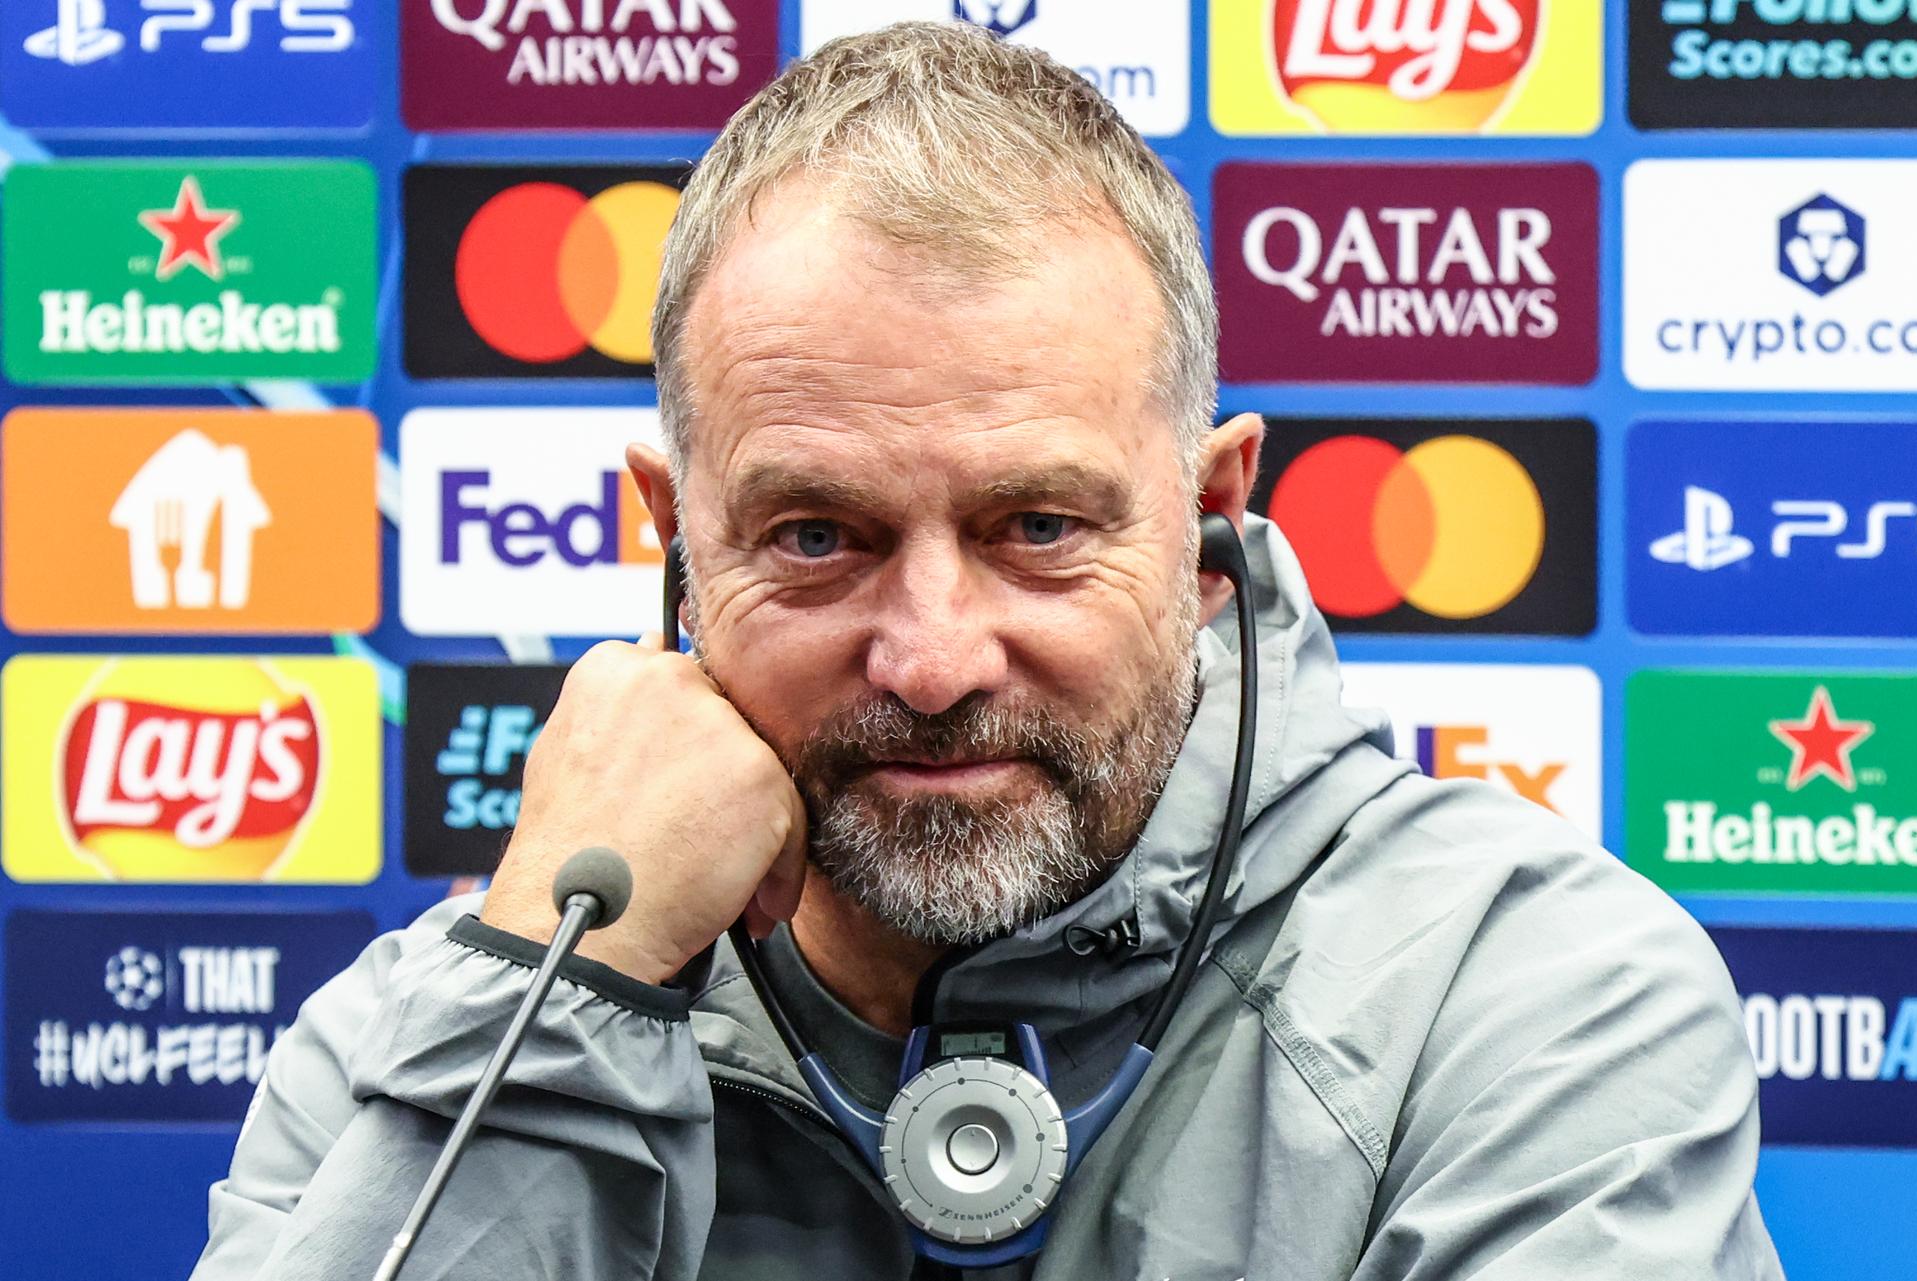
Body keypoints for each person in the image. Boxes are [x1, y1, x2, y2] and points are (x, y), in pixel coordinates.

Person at [189, 22, 1783, 1281]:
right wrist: (566, 997)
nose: (934, 658)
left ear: (1209, 520)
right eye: (819, 536)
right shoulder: (441, 1034)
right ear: (672, 539)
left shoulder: (1530, 1000)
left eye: (1037, 526)